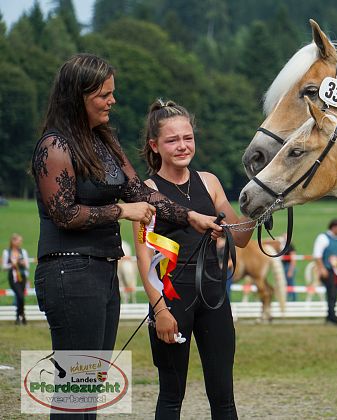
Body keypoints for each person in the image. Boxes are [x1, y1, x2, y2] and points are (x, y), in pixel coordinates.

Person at [31, 54, 220, 408]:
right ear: (79, 96)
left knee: (90, 390)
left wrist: (190, 216)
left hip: (103, 272)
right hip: (68, 272)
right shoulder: (54, 146)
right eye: (104, 95)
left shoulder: (104, 142)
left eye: (111, 93)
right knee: (75, 390)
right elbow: (64, 214)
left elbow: (142, 193)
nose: (112, 101)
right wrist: (121, 211)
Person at [134, 99, 254, 419]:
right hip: (172, 298)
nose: (182, 146)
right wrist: (159, 310)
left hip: (214, 295)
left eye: (187, 138)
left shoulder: (210, 182)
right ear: (154, 145)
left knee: (223, 397)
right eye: (172, 140)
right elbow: (144, 258)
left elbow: (240, 236)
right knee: (172, 397)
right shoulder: (147, 191)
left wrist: (258, 204)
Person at [313, 218, 337, 325]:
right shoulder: (323, 238)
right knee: (331, 294)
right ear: (334, 227)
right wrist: (322, 269)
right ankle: (333, 318)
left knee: (335, 294)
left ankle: (330, 316)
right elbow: (317, 255)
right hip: (327, 270)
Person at [2, 234, 29, 324]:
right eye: (19, 240)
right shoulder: (7, 252)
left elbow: (27, 265)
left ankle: (19, 317)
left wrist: (22, 263)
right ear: (13, 242)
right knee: (20, 296)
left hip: (22, 277)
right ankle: (22, 315)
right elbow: (4, 267)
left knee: (21, 297)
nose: (20, 242)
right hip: (13, 278)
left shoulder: (23, 251)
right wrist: (12, 265)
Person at [281, 233, 297, 301]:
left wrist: (291, 270)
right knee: (286, 284)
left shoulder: (290, 246)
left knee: (291, 284)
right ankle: (287, 299)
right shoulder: (283, 246)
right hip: (284, 266)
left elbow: (293, 259)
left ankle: (293, 299)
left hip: (289, 266)